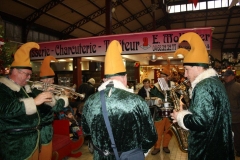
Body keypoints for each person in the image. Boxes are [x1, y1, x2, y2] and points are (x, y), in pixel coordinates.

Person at [82, 40, 157, 160]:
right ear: (125, 78)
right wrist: (139, 152)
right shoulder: (136, 101)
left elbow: (86, 131)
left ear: (104, 79)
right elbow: (150, 137)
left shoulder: (90, 101)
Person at [171, 32, 234, 160]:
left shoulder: (203, 86)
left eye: (187, 69)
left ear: (198, 67)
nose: (185, 75)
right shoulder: (214, 82)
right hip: (218, 148)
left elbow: (201, 122)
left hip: (206, 152)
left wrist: (180, 116)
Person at [0, 42, 54, 160]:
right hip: (16, 147)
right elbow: (6, 109)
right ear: (15, 72)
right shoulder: (3, 88)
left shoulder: (25, 88)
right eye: (27, 74)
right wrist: (33, 102)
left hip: (33, 143)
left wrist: (48, 96)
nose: (29, 77)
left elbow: (44, 110)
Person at [33, 56, 69, 160]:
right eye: (52, 79)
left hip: (42, 128)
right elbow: (57, 107)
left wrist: (56, 95)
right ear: (46, 80)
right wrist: (64, 95)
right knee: (45, 155)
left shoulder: (36, 89)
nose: (53, 81)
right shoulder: (42, 92)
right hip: (43, 130)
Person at [138, 78, 172, 155]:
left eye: (166, 76)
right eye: (162, 76)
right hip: (159, 112)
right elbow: (148, 101)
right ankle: (157, 147)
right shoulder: (156, 87)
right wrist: (157, 101)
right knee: (158, 131)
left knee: (169, 130)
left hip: (170, 112)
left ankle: (165, 146)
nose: (164, 78)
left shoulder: (172, 85)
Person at [223, 69, 240, 157]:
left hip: (236, 117)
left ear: (232, 76)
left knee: (237, 135)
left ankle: (238, 150)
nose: (225, 77)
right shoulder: (222, 86)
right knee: (226, 135)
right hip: (225, 117)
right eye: (224, 76)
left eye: (227, 76)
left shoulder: (238, 87)